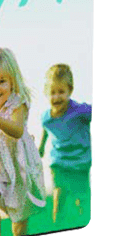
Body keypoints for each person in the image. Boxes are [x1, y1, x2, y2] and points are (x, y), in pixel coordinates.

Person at [0, 47, 46, 236]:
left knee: (19, 223)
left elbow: (17, 130)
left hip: (18, 168)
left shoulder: (16, 104)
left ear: (12, 82)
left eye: (1, 81)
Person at [38, 64, 92, 225]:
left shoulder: (80, 111)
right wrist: (41, 147)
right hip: (59, 163)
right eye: (52, 93)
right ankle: (57, 225)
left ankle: (81, 222)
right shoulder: (46, 117)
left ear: (70, 91)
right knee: (59, 196)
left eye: (61, 92)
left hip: (80, 163)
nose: (56, 97)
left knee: (81, 200)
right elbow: (45, 129)